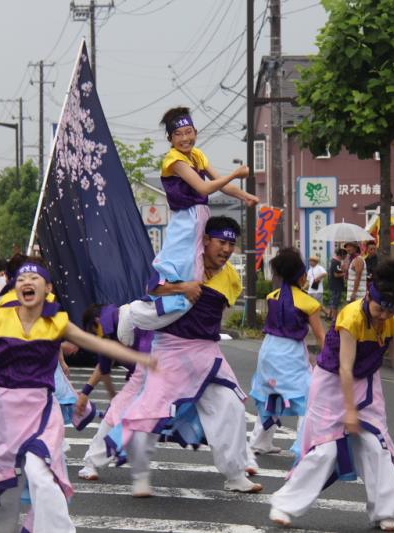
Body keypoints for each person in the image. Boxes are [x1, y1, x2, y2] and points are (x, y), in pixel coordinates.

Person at [0, 257, 156, 532]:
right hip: (4, 414)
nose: (27, 282)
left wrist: (142, 359)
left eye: (34, 278)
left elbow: (97, 344)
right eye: (21, 280)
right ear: (15, 288)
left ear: (48, 288)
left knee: (41, 476)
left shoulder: (56, 322)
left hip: (40, 411)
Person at [107, 216, 263, 497]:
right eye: (221, 242)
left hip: (206, 353)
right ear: (205, 240)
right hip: (171, 350)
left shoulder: (230, 276)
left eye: (231, 244)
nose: (226, 249)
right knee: (149, 416)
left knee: (232, 407)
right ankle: (140, 476)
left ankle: (235, 474)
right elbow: (152, 287)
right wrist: (184, 286)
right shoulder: (184, 259)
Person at [269, 260, 394, 531]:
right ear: (369, 295)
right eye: (379, 308)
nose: (384, 315)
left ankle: (385, 512)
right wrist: (350, 411)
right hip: (331, 383)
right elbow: (346, 368)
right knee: (325, 450)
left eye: (390, 309)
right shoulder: (351, 316)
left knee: (376, 445)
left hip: (367, 384)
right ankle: (285, 504)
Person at [129, 106, 257, 331]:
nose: (185, 138)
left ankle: (166, 318)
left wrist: (245, 196)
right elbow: (204, 187)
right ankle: (133, 315)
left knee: (196, 276)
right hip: (185, 220)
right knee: (179, 272)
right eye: (178, 134)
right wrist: (235, 174)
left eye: (189, 132)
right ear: (170, 138)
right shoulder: (174, 160)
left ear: (196, 132)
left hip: (201, 217)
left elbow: (222, 185)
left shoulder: (198, 155)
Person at [248, 248, 326, 464]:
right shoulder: (309, 303)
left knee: (269, 395)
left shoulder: (272, 296)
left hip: (268, 350)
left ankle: (259, 442)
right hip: (291, 353)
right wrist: (330, 360)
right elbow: (321, 335)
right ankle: (305, 446)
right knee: (308, 396)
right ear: (302, 276)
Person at [77, 303, 154, 481]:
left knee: (117, 421)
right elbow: (104, 367)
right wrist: (92, 393)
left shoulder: (109, 326)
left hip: (149, 374)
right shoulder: (121, 318)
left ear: (96, 322)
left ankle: (91, 463)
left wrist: (111, 399)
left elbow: (104, 367)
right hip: (170, 371)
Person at [329, 248, 347, 320]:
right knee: (335, 302)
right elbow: (336, 274)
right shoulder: (335, 262)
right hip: (336, 285)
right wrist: (345, 273)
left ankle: (330, 316)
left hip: (336, 285)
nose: (346, 257)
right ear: (342, 254)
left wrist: (343, 269)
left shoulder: (337, 262)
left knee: (333, 301)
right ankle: (335, 319)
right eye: (345, 255)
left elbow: (339, 271)